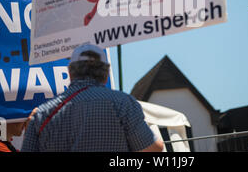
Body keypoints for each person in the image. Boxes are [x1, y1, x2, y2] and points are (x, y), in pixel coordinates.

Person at [21, 43, 163, 152]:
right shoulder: (124, 104)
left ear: (70, 72)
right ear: (106, 73)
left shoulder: (41, 115)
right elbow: (153, 149)